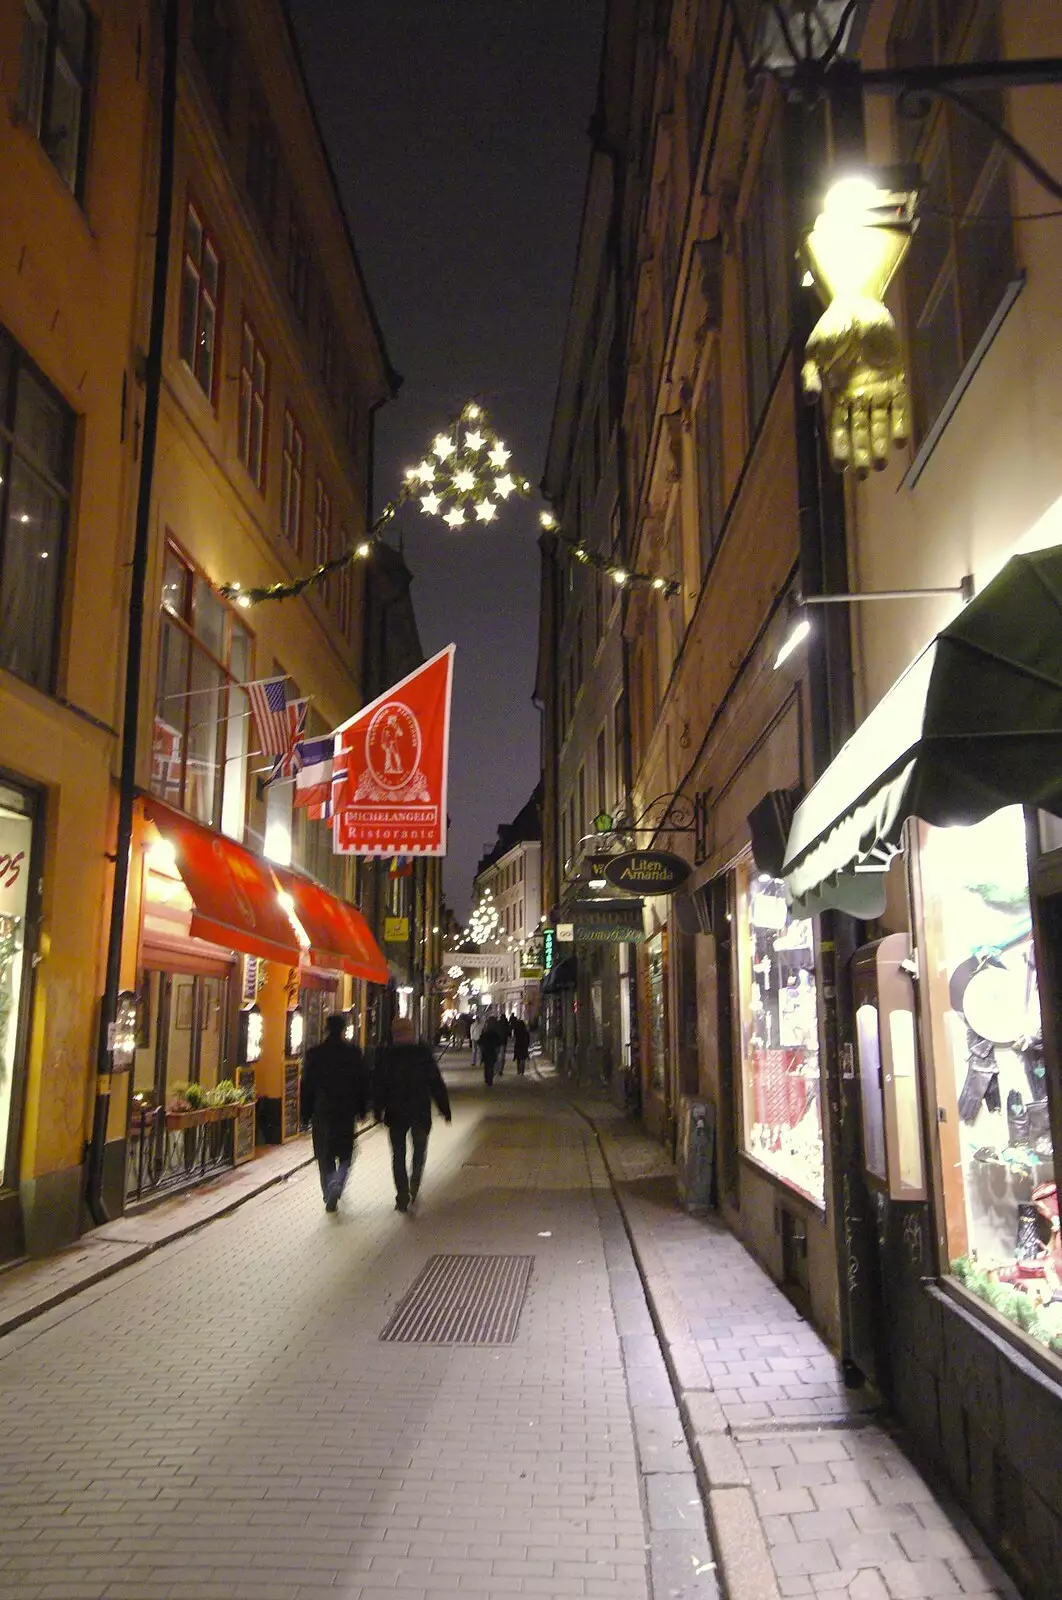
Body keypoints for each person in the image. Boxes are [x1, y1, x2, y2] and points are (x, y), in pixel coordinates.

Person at [374, 1017, 451, 1211]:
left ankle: (402, 1194)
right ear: (411, 1033)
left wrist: (377, 1109)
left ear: (393, 1034)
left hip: (396, 1113)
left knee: (398, 1155)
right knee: (419, 1151)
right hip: (419, 1112)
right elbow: (435, 1082)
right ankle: (414, 1182)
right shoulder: (422, 1053)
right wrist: (444, 1108)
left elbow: (379, 1085)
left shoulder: (386, 1055)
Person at [300, 1014, 370, 1213]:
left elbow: (306, 1086)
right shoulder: (353, 1053)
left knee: (324, 1153)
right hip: (345, 1110)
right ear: (343, 1029)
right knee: (346, 1152)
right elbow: (362, 1082)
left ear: (326, 1029)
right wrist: (363, 1108)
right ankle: (338, 1180)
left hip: (321, 1110)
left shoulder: (315, 1054)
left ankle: (329, 1188)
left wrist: (304, 1114)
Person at [478, 1018, 501, 1086]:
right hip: (492, 1052)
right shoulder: (496, 1035)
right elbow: (498, 1045)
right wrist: (497, 1052)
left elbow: (480, 1043)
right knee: (491, 1066)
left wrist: (481, 1052)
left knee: (486, 1066)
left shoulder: (484, 1034)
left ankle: (487, 1078)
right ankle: (490, 1078)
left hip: (485, 1052)